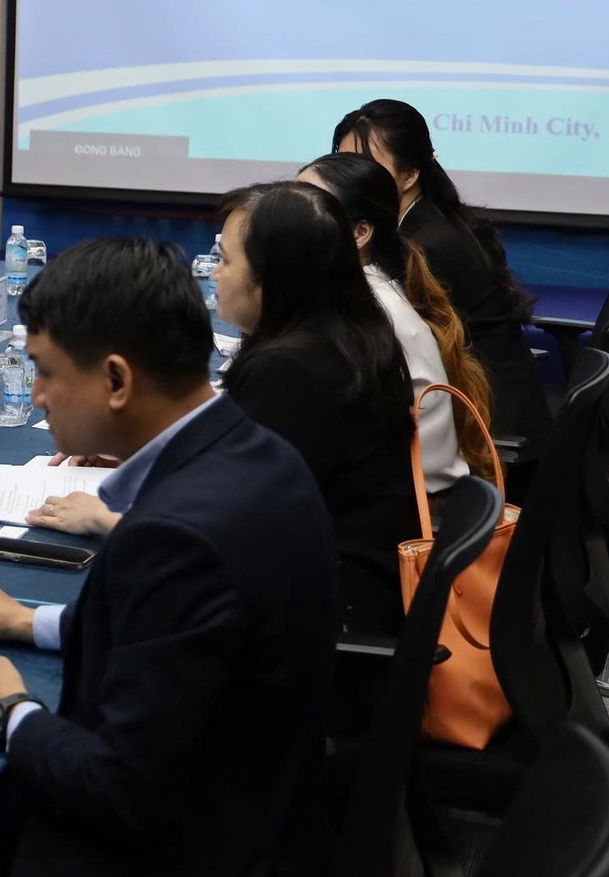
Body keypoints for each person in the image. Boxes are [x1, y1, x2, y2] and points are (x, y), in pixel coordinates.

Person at [0, 238, 336, 877]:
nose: (37, 396)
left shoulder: (174, 538)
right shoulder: (263, 454)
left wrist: (7, 709)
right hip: (274, 813)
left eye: (45, 371)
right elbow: (177, 637)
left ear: (116, 380)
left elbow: (120, 792)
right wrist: (26, 621)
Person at [214, 180, 419, 637]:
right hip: (350, 584)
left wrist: (112, 518)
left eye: (225, 260)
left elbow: (236, 520)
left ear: (272, 279)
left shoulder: (290, 371)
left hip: (321, 618)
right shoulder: (346, 335)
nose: (216, 274)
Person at [332, 98, 552, 455]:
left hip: (486, 426)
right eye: (343, 164)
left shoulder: (425, 247)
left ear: (410, 174)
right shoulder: (426, 219)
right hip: (474, 400)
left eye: (367, 165)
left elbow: (377, 348)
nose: (350, 178)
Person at [299, 150, 499, 492]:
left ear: (360, 233)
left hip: (412, 503)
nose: (287, 219)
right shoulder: (363, 291)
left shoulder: (364, 310)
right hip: (401, 487)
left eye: (308, 210)